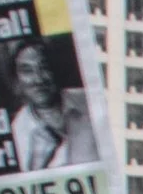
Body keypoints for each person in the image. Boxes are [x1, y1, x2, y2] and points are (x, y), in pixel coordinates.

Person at [8, 39, 99, 169]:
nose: (38, 79)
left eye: (44, 67)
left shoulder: (88, 99)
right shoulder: (18, 131)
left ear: (55, 70)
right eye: (27, 71)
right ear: (17, 81)